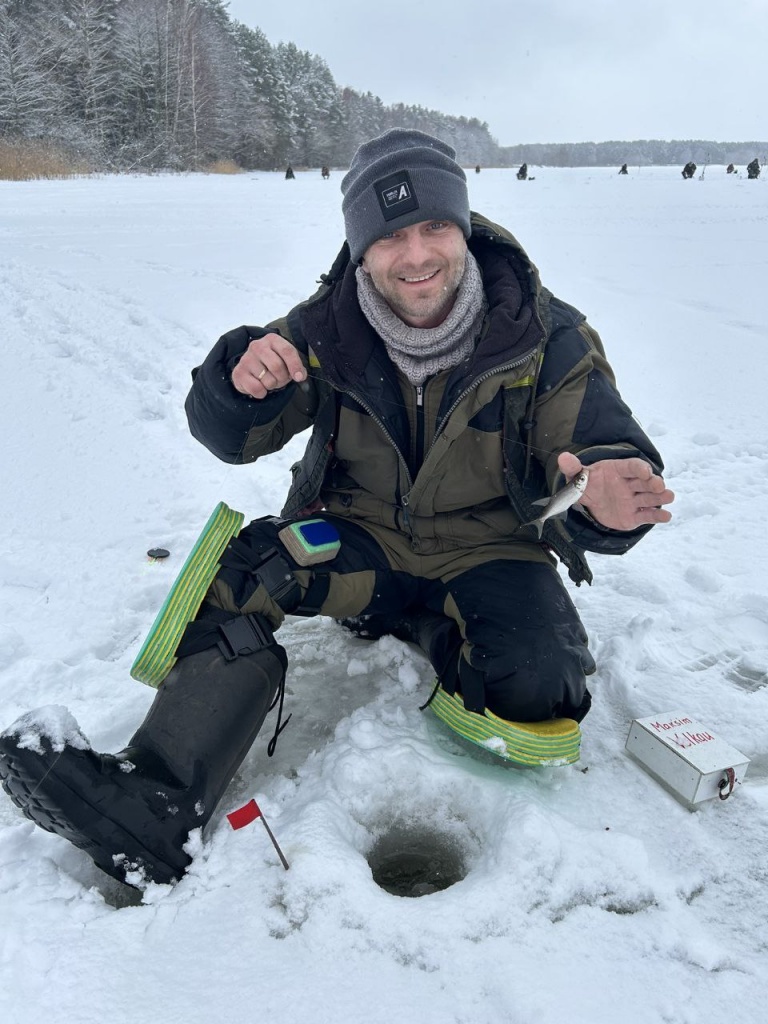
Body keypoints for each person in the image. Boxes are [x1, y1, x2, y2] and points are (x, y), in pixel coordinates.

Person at [0, 128, 674, 887]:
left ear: (465, 226)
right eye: (389, 236)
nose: (416, 255)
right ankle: (160, 796)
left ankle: (431, 622)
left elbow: (601, 448)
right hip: (357, 541)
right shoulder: (325, 328)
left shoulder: (545, 334)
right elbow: (230, 434)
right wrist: (238, 382)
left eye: (434, 227)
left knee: (542, 682)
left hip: (489, 550)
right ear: (360, 248)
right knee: (244, 570)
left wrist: (610, 501)